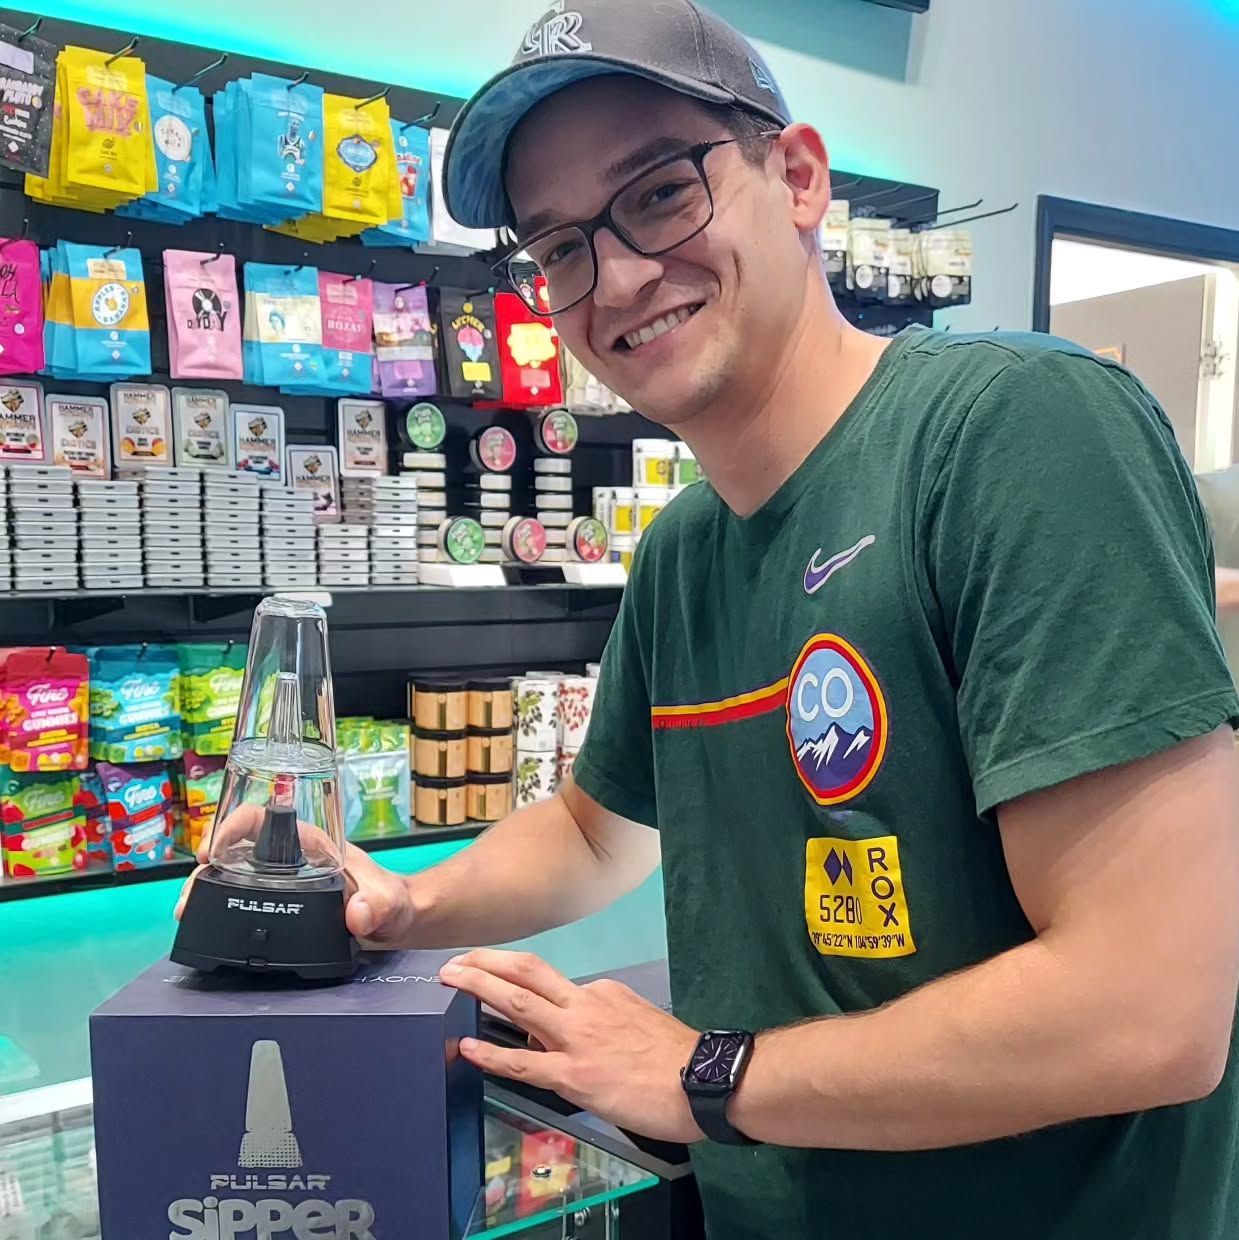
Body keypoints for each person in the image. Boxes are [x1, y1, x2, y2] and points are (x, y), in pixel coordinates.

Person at [181, 1, 1239, 1236]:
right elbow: (591, 834)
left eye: (661, 192)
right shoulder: (686, 550)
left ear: (797, 178)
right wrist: (403, 905)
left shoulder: (1018, 435)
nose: (617, 274)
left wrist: (704, 1072)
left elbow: (1149, 1011)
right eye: (560, 245)